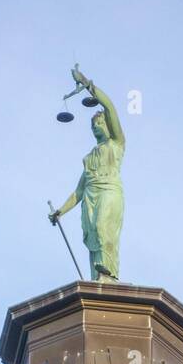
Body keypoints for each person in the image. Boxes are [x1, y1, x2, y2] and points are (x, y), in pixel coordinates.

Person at [49, 65, 125, 281]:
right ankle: (98, 279)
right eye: (93, 124)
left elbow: (109, 107)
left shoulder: (116, 144)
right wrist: (60, 211)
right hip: (90, 196)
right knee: (93, 237)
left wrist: (87, 84)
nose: (95, 126)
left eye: (99, 122)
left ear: (109, 126)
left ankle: (109, 275)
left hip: (109, 191)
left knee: (103, 228)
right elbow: (78, 191)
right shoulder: (89, 157)